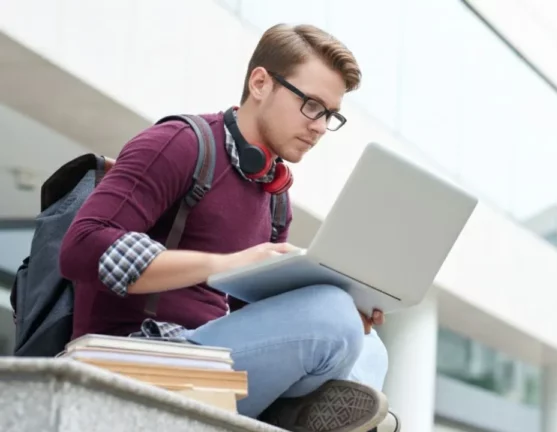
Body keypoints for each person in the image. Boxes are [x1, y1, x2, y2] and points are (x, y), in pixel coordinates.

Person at [59, 23, 399, 432]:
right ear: (260, 83)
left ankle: (296, 412)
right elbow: (82, 247)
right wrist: (225, 264)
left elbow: (254, 317)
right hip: (140, 358)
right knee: (331, 315)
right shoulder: (180, 143)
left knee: (368, 343)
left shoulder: (275, 197)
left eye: (330, 115)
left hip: (216, 361)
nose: (320, 127)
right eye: (311, 105)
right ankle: (287, 414)